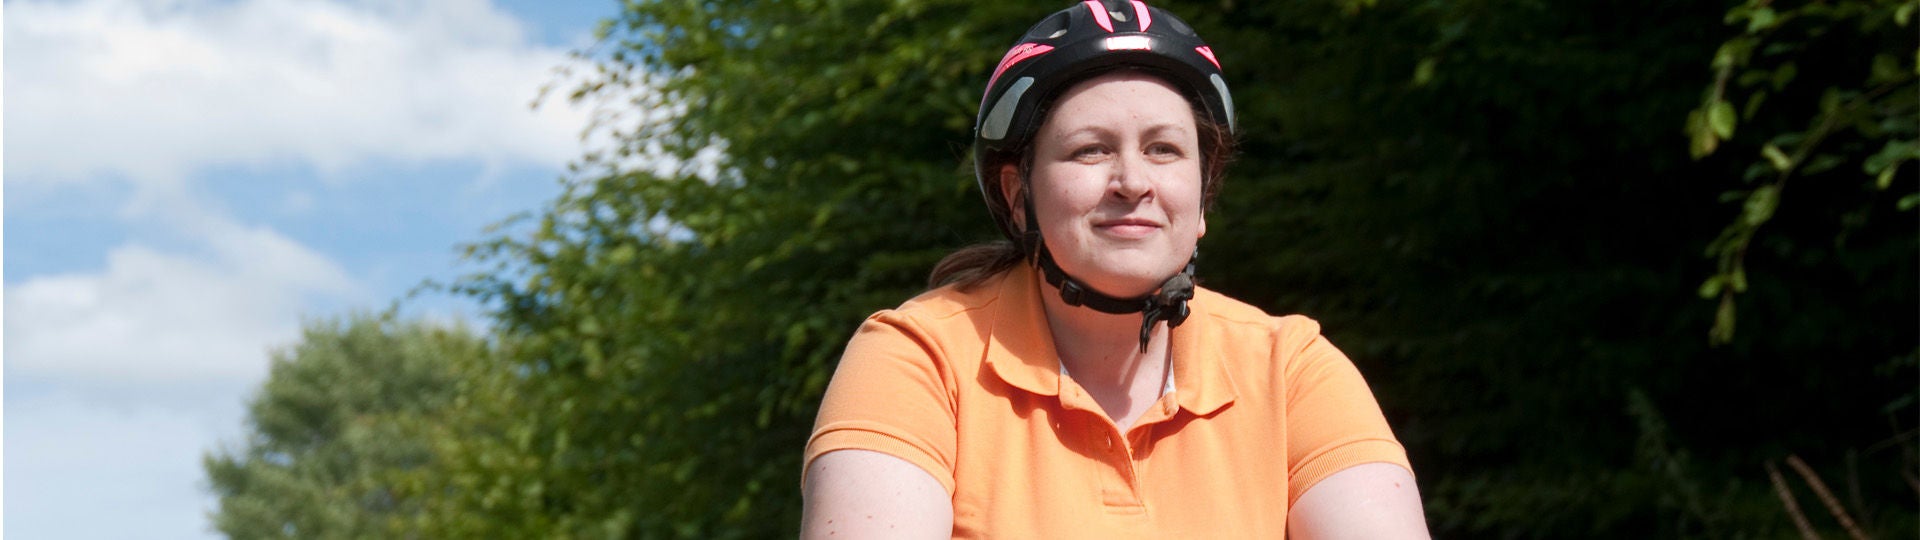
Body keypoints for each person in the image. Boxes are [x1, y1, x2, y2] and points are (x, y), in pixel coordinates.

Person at [801, 1, 1428, 537]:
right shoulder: (920, 356)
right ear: (1020, 196)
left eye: (1163, 149)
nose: (1133, 183)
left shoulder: (1289, 366)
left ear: (1202, 198)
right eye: (1090, 149)